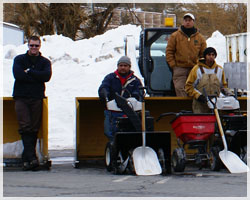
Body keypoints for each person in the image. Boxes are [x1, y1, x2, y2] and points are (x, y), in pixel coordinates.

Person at [12, 36, 52, 170]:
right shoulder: (19, 59)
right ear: (27, 46)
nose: (34, 48)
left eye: (36, 46)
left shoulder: (45, 62)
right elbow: (18, 75)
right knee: (25, 126)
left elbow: (46, 76)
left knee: (34, 127)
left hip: (37, 97)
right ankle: (32, 157)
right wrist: (36, 76)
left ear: (40, 46)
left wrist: (29, 72)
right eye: (31, 45)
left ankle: (27, 158)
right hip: (21, 97)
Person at [98, 56, 143, 141]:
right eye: (121, 65)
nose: (123, 67)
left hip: (130, 111)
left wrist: (135, 96)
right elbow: (104, 87)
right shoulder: (110, 78)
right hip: (112, 110)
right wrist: (104, 93)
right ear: (118, 66)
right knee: (109, 131)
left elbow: (139, 91)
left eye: (125, 65)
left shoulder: (135, 80)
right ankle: (114, 146)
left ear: (129, 67)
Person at [166, 13, 207, 96]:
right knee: (180, 88)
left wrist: (200, 65)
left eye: (190, 20)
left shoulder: (200, 38)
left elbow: (204, 53)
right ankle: (184, 107)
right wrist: (173, 65)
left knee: (196, 88)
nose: (187, 22)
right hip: (179, 68)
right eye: (186, 20)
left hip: (194, 68)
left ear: (193, 22)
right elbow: (169, 51)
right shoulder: (175, 36)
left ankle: (194, 107)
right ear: (183, 22)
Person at [185, 47, 228, 113]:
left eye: (213, 55)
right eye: (209, 55)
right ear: (205, 56)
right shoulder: (196, 69)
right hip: (200, 104)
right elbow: (189, 87)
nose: (211, 57)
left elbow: (224, 86)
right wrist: (198, 96)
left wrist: (225, 95)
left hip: (216, 105)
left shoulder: (220, 69)